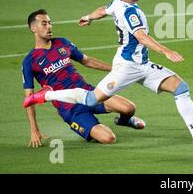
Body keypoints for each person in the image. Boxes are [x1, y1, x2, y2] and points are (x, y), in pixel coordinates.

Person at [24, 0, 193, 147]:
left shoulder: (118, 4)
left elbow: (104, 9)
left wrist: (89, 16)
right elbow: (142, 37)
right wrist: (166, 51)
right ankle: (46, 95)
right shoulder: (130, 12)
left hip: (142, 65)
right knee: (92, 99)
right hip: (127, 67)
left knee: (180, 87)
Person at [22, 9, 145, 146]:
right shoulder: (30, 61)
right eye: (44, 24)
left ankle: (123, 121)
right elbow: (29, 99)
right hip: (70, 109)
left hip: (89, 94)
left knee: (129, 108)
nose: (49, 27)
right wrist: (34, 130)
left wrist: (114, 68)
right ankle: (89, 127)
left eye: (50, 23)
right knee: (109, 138)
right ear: (33, 28)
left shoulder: (62, 43)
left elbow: (86, 60)